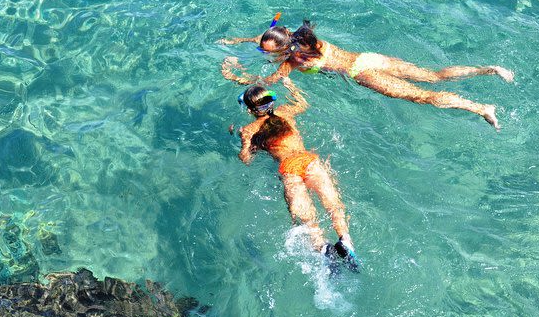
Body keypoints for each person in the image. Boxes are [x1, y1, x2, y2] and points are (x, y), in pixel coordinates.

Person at [220, 16, 515, 129]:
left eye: (265, 49)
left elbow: (267, 84)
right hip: (369, 58)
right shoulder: (305, 40)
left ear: (282, 49)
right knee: (433, 75)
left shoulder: (294, 61)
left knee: (424, 97)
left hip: (364, 74)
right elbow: (272, 37)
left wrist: (235, 76)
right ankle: (490, 69)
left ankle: (481, 108)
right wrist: (241, 41)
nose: (263, 50)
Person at [236, 82, 359, 272]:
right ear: (271, 102)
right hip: (309, 160)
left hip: (290, 168)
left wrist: (242, 139)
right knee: (333, 205)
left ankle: (324, 249)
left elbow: (245, 159)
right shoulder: (286, 111)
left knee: (308, 220)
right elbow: (303, 103)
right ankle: (345, 240)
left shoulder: (250, 129)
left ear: (251, 110)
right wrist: (291, 85)